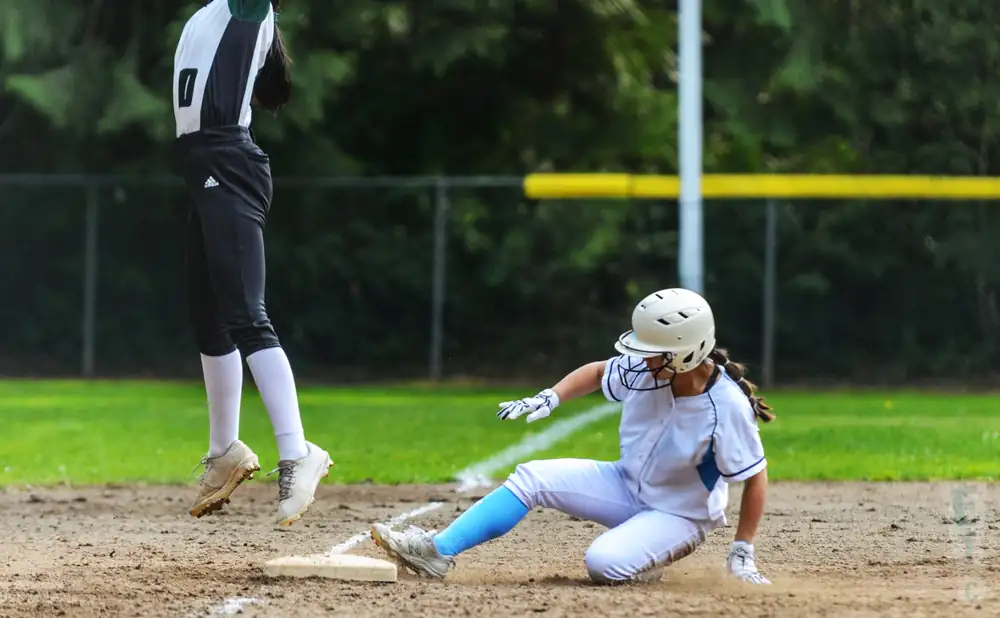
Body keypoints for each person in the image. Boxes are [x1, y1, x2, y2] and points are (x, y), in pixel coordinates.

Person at [371, 288, 773, 584]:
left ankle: (642, 556)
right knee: (532, 477)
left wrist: (742, 549)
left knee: (603, 564)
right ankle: (436, 552)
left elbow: (754, 476)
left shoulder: (726, 407)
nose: (640, 356)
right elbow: (599, 371)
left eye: (653, 350)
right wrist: (550, 397)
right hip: (625, 483)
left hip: (679, 515)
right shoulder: (649, 367)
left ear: (685, 352)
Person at [171, 0, 332, 526]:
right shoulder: (211, 13)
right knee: (207, 321)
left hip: (228, 164)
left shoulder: (246, 7)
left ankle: (297, 451)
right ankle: (226, 451)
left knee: (245, 316)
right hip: (202, 167)